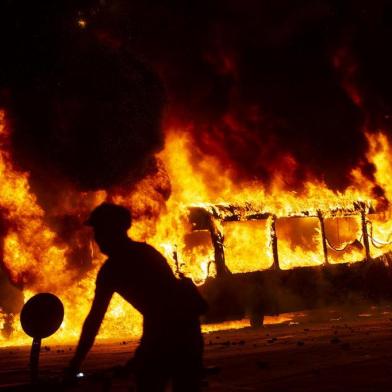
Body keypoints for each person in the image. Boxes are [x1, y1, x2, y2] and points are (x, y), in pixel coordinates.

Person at [66, 203, 207, 391]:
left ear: (111, 231)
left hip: (171, 332)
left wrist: (76, 362)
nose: (96, 239)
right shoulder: (147, 253)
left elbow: (95, 319)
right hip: (187, 332)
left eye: (99, 231)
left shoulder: (112, 270)